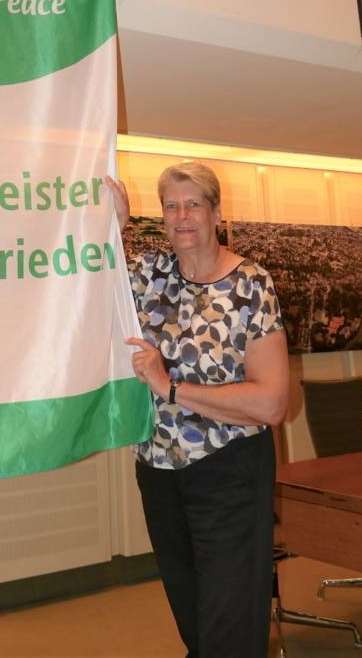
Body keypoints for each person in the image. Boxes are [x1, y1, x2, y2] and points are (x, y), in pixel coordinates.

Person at [108, 162, 289, 658]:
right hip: (159, 473)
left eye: (193, 204)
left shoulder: (250, 284)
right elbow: (88, 289)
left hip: (229, 471)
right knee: (191, 616)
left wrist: (170, 387)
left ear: (214, 212)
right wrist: (114, 227)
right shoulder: (150, 274)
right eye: (171, 205)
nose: (182, 215)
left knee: (230, 624)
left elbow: (271, 402)